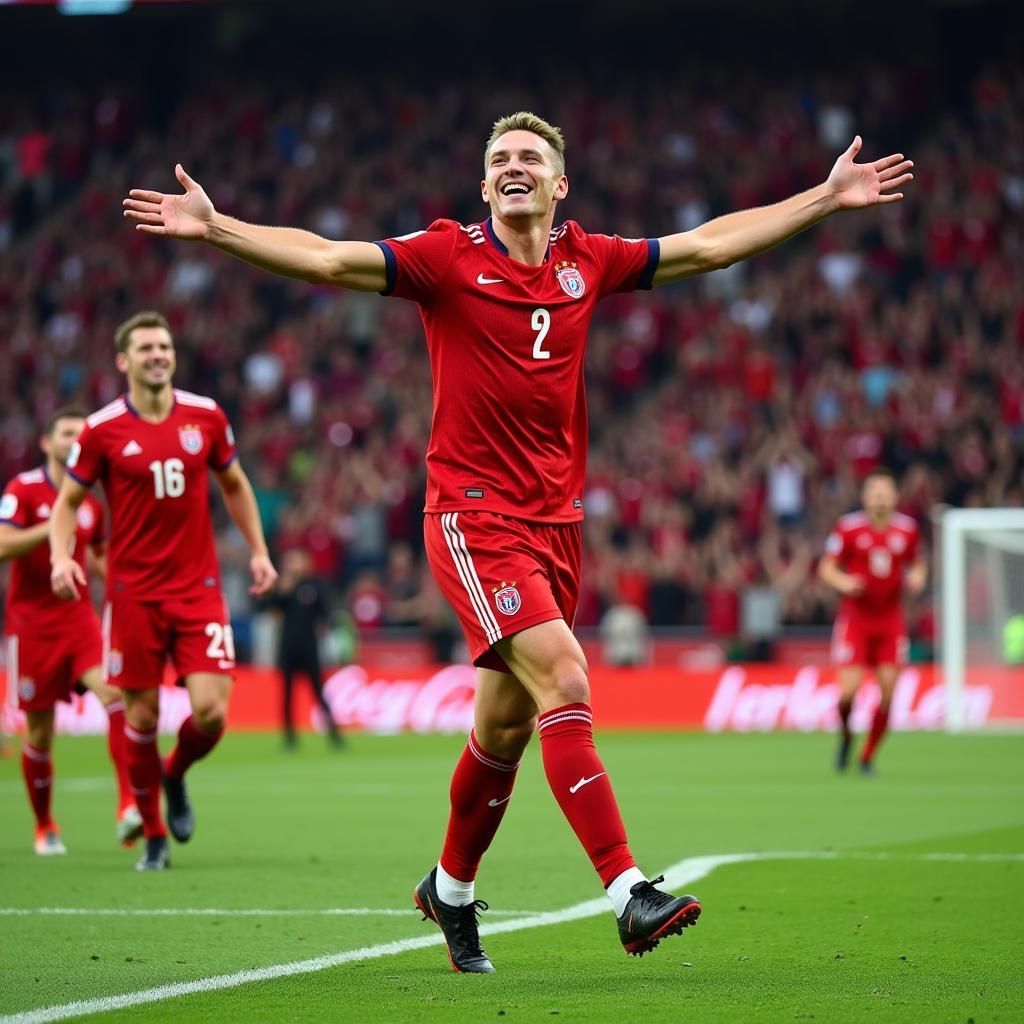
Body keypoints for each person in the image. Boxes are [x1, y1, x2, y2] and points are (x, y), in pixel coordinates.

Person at [123, 112, 912, 966]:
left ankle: (449, 890)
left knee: (503, 731)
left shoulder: (589, 260)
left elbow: (710, 246)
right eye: (498, 156)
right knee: (567, 675)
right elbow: (326, 256)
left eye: (529, 157)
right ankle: (627, 889)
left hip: (557, 526)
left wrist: (825, 199)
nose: (512, 165)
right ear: (484, 183)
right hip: (470, 516)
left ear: (559, 184)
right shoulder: (444, 257)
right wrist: (218, 227)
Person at [49, 312, 278, 871]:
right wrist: (60, 555)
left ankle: (174, 774)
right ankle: (153, 837)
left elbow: (234, 484)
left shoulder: (206, 415)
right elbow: (68, 504)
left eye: (165, 346)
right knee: (142, 716)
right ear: (124, 361)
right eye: (147, 347)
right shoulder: (101, 430)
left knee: (212, 712)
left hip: (197, 590)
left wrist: (258, 551)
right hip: (132, 596)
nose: (158, 354)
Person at [0, 408, 139, 855]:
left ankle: (127, 807)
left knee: (116, 696)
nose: (74, 439)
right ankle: (44, 826)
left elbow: (99, 559)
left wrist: (128, 585)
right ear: (47, 442)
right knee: (39, 732)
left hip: (79, 620)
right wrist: (56, 523)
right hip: (32, 625)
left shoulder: (92, 503)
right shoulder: (23, 489)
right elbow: (2, 545)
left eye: (81, 434)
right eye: (65, 433)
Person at [818, 469, 927, 774]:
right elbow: (827, 568)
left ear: (895, 497)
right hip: (856, 618)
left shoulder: (907, 530)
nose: (879, 497)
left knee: (889, 692)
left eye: (885, 491)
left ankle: (867, 757)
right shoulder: (848, 528)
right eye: (874, 491)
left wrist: (917, 577)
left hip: (890, 619)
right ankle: (846, 737)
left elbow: (918, 564)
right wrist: (843, 582)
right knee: (848, 694)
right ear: (865, 497)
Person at [265, 548, 342, 749]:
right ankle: (289, 737)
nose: (294, 566)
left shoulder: (315, 586)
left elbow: (324, 616)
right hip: (288, 647)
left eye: (297, 561)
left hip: (309, 647)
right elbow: (272, 610)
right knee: (287, 694)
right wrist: (283, 590)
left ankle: (334, 733)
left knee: (318, 692)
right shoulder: (284, 587)